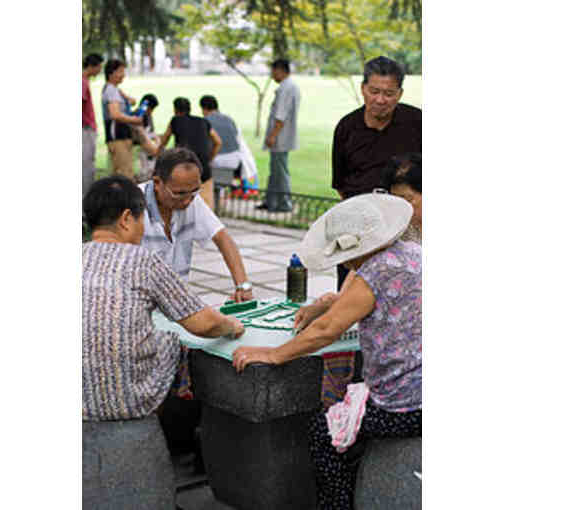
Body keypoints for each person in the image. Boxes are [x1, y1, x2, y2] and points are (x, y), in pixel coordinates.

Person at [232, 194, 421, 510]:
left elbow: (326, 330)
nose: (346, 263)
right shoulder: (413, 253)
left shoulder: (375, 272)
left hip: (406, 405)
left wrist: (273, 354)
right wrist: (324, 306)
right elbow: (363, 304)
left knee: (325, 431)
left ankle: (336, 505)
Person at [82, 176, 244, 506]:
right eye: (142, 218)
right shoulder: (142, 261)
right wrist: (232, 325)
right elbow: (203, 323)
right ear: (126, 219)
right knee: (169, 340)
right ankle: (186, 439)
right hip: (129, 401)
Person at [331, 56, 421, 289]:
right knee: (348, 294)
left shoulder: (418, 123)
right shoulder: (346, 128)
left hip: (407, 231)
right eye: (374, 91)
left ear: (400, 94)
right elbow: (341, 185)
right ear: (363, 89)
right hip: (358, 228)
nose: (380, 100)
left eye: (389, 93)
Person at [139, 147, 254, 303]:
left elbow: (222, 237)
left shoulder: (191, 199)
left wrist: (243, 285)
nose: (187, 201)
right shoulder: (133, 207)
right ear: (157, 183)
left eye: (194, 191)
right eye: (179, 193)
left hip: (178, 301)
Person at [159, 97, 222, 210]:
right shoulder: (203, 121)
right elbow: (218, 142)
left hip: (183, 166)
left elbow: (163, 141)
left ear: (175, 109)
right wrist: (209, 158)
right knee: (207, 206)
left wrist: (157, 153)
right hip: (204, 166)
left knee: (180, 202)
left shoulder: (175, 120)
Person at [101, 59, 157, 181]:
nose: (123, 75)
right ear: (111, 73)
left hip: (122, 135)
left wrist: (126, 97)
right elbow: (115, 114)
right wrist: (134, 120)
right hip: (118, 136)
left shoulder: (115, 90)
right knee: (125, 175)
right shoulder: (111, 90)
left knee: (121, 173)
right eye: (121, 71)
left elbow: (132, 101)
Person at [257, 58, 301, 213]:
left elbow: (280, 116)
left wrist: (273, 135)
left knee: (280, 172)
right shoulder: (289, 86)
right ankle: (270, 201)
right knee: (275, 170)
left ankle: (284, 203)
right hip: (282, 136)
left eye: (273, 71)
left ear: (280, 70)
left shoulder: (286, 88)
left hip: (280, 138)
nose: (272, 75)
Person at [82, 53, 103, 197]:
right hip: (85, 129)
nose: (100, 70)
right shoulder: (82, 82)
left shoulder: (85, 81)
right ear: (92, 66)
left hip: (87, 128)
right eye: (99, 67)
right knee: (86, 166)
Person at [136, 93, 160, 182]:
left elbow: (152, 133)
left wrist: (157, 143)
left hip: (150, 146)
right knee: (144, 172)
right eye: (151, 109)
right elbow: (141, 134)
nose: (151, 111)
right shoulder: (138, 116)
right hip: (142, 148)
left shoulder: (149, 116)